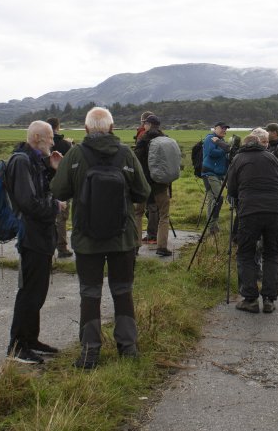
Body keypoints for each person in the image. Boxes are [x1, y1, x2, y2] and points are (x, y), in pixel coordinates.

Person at [51, 107, 150, 369]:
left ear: (85, 129)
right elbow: (142, 192)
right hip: (123, 238)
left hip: (87, 238)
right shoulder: (126, 154)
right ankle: (128, 348)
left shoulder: (74, 154)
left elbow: (59, 190)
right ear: (112, 127)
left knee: (90, 293)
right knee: (123, 291)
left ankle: (90, 352)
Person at [5, 120, 66, 364]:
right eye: (50, 138)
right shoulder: (21, 161)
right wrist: (56, 206)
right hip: (31, 236)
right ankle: (18, 345)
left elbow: (41, 190)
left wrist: (52, 169)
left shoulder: (33, 161)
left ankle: (31, 339)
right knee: (29, 291)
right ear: (38, 137)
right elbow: (28, 202)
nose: (53, 142)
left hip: (41, 235)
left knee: (38, 290)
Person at [227, 130, 278, 313]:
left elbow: (232, 190)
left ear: (244, 145)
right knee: (271, 253)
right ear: (262, 143)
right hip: (274, 211)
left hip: (249, 211)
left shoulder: (238, 159)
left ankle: (250, 298)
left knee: (246, 253)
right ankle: (269, 299)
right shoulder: (272, 158)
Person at [133, 115, 173, 257]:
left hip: (144, 183)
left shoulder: (143, 139)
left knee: (138, 213)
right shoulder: (165, 139)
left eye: (145, 123)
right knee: (164, 215)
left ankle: (135, 246)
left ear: (148, 125)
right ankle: (162, 246)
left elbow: (135, 160)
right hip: (161, 184)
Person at [201, 121, 238, 235]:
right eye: (222, 128)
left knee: (212, 199)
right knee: (218, 198)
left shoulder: (220, 141)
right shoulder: (210, 139)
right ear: (215, 128)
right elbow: (212, 152)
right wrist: (225, 149)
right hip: (210, 173)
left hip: (216, 173)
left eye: (225, 129)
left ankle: (212, 227)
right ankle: (212, 226)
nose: (224, 130)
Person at [47, 117, 73, 258]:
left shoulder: (43, 144)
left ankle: (47, 246)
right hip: (62, 185)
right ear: (58, 127)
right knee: (61, 217)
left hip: (45, 184)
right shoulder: (65, 145)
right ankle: (62, 248)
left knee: (46, 215)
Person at [134, 111, 158, 244]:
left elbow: (138, 156)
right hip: (156, 174)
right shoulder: (161, 135)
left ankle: (146, 237)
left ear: (144, 122)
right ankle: (152, 235)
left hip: (144, 174)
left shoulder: (143, 135)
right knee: (153, 206)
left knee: (142, 208)